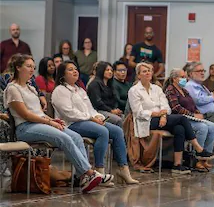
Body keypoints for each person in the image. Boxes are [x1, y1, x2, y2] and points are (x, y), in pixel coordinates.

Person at [3, 54, 105, 193]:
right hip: (25, 127)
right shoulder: (12, 88)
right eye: (28, 66)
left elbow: (38, 112)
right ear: (18, 68)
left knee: (75, 137)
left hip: (40, 124)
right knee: (63, 137)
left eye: (33, 67)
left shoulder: (31, 88)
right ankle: (88, 173)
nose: (32, 69)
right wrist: (49, 122)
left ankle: (80, 178)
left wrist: (51, 120)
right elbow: (26, 114)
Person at [52, 61, 138, 186]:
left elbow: (90, 109)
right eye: (70, 69)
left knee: (117, 131)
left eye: (75, 69)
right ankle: (99, 171)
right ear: (62, 74)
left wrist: (98, 117)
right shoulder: (60, 90)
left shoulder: (80, 90)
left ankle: (123, 169)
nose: (75, 71)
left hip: (87, 120)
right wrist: (91, 119)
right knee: (102, 131)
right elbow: (68, 113)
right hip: (71, 124)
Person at [128, 62, 214, 174]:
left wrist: (163, 115)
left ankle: (177, 165)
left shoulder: (156, 88)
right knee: (182, 119)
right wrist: (157, 114)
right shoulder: (134, 90)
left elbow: (166, 106)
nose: (148, 73)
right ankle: (198, 149)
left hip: (162, 118)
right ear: (139, 75)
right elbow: (138, 112)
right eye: (144, 71)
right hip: (146, 120)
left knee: (180, 128)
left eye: (149, 71)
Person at [163, 68, 214, 172]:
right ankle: (197, 157)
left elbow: (192, 105)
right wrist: (192, 114)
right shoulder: (171, 90)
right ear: (175, 79)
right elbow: (176, 108)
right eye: (182, 77)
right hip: (180, 119)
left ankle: (205, 159)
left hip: (191, 117)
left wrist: (196, 112)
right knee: (202, 128)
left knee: (213, 127)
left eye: (185, 77)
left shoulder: (184, 90)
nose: (185, 79)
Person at [87, 61, 123, 127]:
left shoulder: (110, 85)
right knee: (118, 120)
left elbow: (113, 99)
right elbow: (97, 102)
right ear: (101, 70)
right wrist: (111, 111)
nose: (110, 72)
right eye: (107, 70)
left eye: (111, 70)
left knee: (124, 117)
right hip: (98, 111)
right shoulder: (94, 84)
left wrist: (115, 109)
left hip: (109, 110)